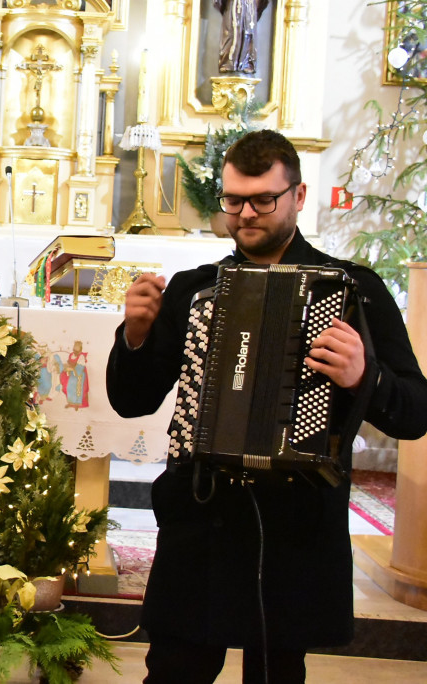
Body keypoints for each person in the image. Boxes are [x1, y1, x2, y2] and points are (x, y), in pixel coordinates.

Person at [106, 129, 427, 683]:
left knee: (278, 675)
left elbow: (415, 412)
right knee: (174, 671)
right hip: (201, 516)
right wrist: (134, 335)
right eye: (233, 200)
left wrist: (363, 376)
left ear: (298, 197)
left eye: (262, 200)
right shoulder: (191, 289)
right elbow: (131, 401)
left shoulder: (356, 291)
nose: (246, 213)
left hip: (295, 527)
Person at [213, 0, 271, 74]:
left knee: (248, 32)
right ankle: (228, 61)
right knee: (232, 31)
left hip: (249, 5)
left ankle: (247, 62)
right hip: (233, 5)